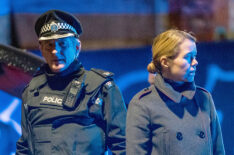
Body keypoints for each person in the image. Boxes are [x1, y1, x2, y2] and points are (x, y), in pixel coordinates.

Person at [16, 10, 126, 155]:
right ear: (41, 49)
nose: (55, 51)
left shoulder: (102, 87)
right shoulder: (31, 91)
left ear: (77, 47)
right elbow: (25, 147)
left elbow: (123, 145)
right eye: (49, 45)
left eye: (63, 44)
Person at [126, 29, 225, 155]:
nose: (195, 62)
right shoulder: (142, 104)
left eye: (194, 56)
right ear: (165, 62)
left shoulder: (203, 97)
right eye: (188, 57)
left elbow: (218, 150)